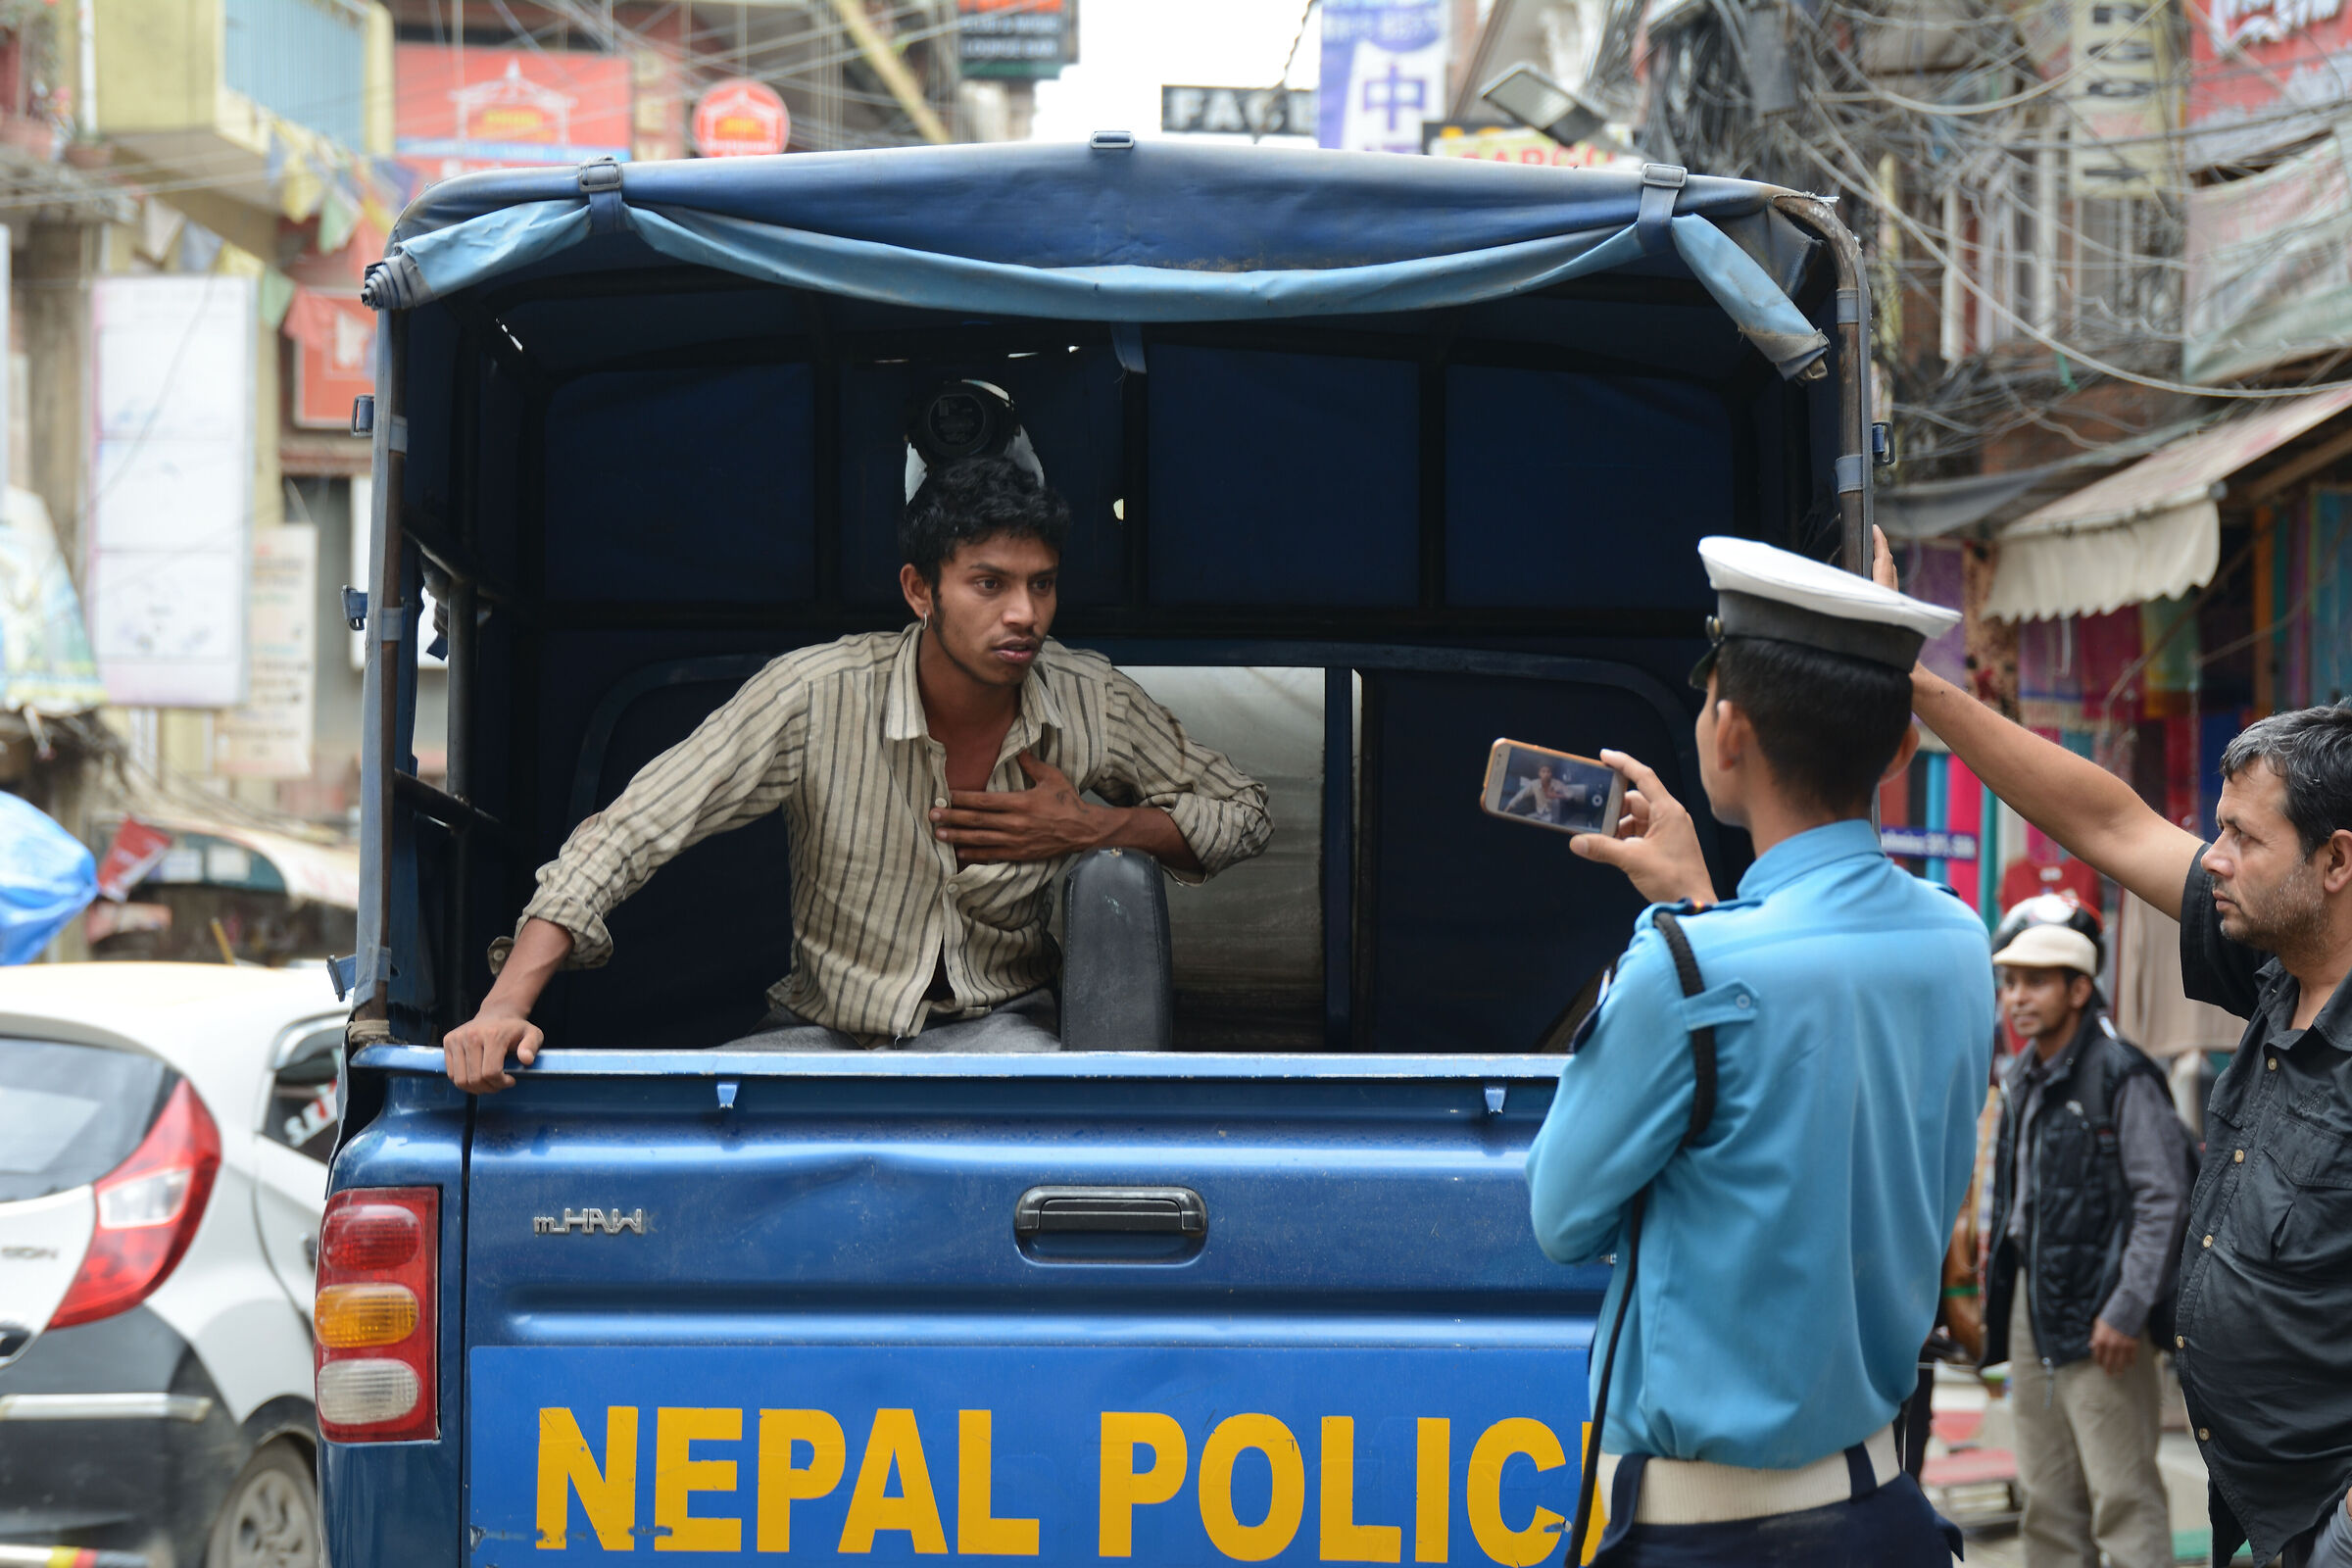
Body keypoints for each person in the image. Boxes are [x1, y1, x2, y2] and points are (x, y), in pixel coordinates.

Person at [440, 450, 1272, 1090]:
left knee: (1074, 1138)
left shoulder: (1091, 698)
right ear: (920, 591)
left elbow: (1244, 811)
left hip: (1007, 1033)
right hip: (823, 1039)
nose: (1024, 613)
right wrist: (506, 1005)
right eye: (989, 583)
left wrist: (1095, 829)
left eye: (1041, 585)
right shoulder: (815, 693)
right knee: (688, 1147)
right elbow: (633, 830)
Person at [1875, 529, 2352, 1568]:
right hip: (2255, 1509)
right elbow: (2109, 818)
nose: (2209, 859)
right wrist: (1918, 685)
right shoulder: (2273, 975)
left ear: (2335, 862)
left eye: (2241, 838)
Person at [1525, 536, 1993, 1565]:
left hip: (1710, 1537)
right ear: (1902, 750)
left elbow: (1560, 1215)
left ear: (1725, 731)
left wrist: (1692, 926)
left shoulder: (1686, 968)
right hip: (1883, 1512)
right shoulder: (1963, 943)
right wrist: (1702, 912)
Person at [1983, 913, 2188, 1568]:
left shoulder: (2120, 1074)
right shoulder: (2021, 1076)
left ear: (2078, 989)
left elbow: (2166, 1199)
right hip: (2033, 1311)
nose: (2017, 997)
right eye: (2010, 982)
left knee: (2122, 1501)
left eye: (2036, 982)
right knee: (2046, 1500)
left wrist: (2127, 1308)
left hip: (2104, 1316)